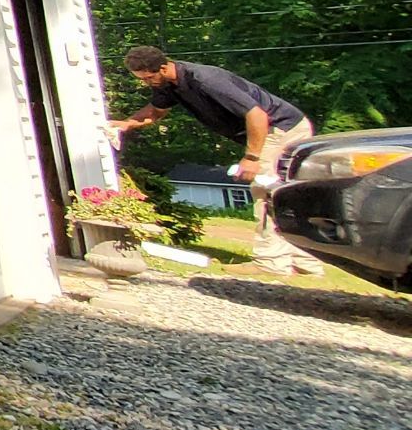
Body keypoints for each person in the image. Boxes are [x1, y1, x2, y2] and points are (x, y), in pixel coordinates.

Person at [108, 45, 317, 272]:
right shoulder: (168, 85)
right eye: (142, 79)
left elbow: (257, 115)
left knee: (265, 190)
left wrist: (252, 158)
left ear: (163, 66)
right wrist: (127, 123)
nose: (147, 83)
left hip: (280, 129)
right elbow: (155, 112)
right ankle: (307, 264)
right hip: (276, 129)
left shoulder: (205, 80)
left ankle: (271, 263)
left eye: (149, 78)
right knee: (289, 194)